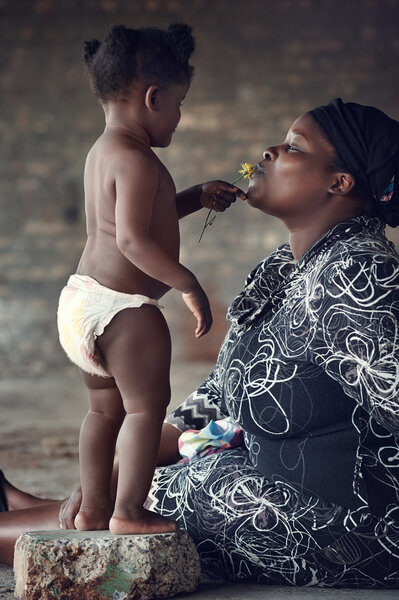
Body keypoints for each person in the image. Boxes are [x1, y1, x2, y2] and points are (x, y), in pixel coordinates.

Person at [1, 98, 399, 588]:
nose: (268, 152)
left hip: (347, 530)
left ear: (339, 182)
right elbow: (223, 395)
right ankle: (38, 507)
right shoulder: (285, 267)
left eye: (294, 147)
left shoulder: (358, 275)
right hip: (264, 482)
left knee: (174, 493)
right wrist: (125, 463)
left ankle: (16, 522)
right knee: (138, 481)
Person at [56, 23, 244, 536]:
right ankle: (129, 512)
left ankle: (94, 509)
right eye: (179, 105)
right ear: (153, 97)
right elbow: (134, 243)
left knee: (102, 413)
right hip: (124, 308)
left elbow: (138, 221)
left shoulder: (106, 152)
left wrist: (195, 196)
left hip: (82, 303)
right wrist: (188, 284)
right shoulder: (139, 161)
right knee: (145, 410)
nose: (179, 118)